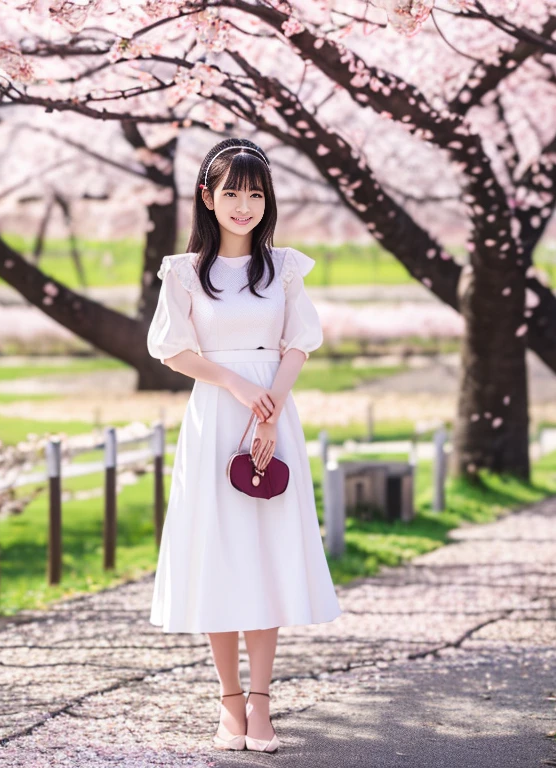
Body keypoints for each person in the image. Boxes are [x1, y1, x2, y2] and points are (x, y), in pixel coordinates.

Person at [146, 138, 342, 754]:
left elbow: (299, 343)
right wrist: (232, 383)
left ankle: (261, 704)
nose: (244, 204)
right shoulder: (183, 273)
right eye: (231, 192)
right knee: (218, 554)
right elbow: (171, 348)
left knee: (264, 555)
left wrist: (271, 406)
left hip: (273, 414)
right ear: (207, 197)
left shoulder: (282, 267)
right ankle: (229, 704)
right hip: (214, 416)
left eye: (255, 193)